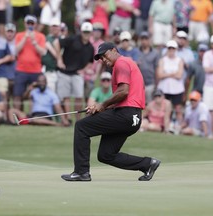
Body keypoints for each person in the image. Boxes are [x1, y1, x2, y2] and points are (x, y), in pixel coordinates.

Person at [61, 42, 161, 182]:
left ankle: (81, 172)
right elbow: (122, 96)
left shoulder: (121, 62)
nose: (103, 60)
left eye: (104, 55)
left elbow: (123, 92)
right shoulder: (124, 64)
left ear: (114, 50)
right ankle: (148, 164)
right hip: (133, 118)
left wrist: (102, 104)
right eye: (100, 58)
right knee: (106, 155)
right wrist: (100, 108)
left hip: (126, 114)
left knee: (81, 127)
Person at [53, 22, 94, 121]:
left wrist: (83, 70)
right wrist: (59, 59)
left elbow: (90, 62)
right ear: (81, 32)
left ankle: (78, 120)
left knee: (79, 97)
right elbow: (56, 42)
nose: (86, 34)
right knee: (65, 97)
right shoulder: (73, 39)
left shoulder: (90, 47)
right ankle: (68, 118)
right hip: (64, 71)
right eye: (85, 32)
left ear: (91, 33)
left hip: (77, 74)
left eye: (88, 32)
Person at [13, 15, 46, 110]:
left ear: (35, 24)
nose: (30, 25)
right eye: (28, 23)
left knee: (35, 94)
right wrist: (25, 38)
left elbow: (43, 52)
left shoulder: (40, 36)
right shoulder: (19, 35)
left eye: (32, 23)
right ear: (25, 24)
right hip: (21, 69)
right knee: (17, 94)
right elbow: (16, 50)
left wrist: (34, 41)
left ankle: (34, 115)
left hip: (36, 70)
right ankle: (18, 117)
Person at [156, 40, 185, 126]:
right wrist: (173, 73)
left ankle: (179, 127)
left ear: (176, 49)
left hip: (177, 89)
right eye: (170, 48)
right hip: (164, 88)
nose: (171, 50)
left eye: (173, 48)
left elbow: (179, 75)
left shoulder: (179, 60)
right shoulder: (162, 60)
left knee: (178, 108)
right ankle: (165, 125)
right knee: (164, 108)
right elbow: (159, 75)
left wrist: (166, 74)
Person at [137, 31, 160, 103]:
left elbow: (157, 68)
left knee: (150, 103)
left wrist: (157, 83)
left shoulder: (155, 52)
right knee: (139, 102)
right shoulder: (136, 51)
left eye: (146, 39)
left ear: (149, 40)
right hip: (138, 82)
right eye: (142, 39)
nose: (144, 41)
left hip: (150, 82)